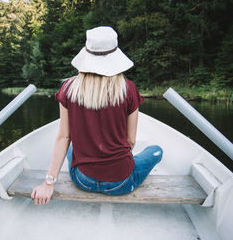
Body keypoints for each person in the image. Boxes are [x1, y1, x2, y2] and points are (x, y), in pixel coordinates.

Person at [31, 26, 163, 205]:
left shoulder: (68, 88)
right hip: (120, 182)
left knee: (71, 148)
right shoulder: (129, 89)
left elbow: (64, 137)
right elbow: (130, 141)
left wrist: (49, 183)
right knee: (156, 151)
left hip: (83, 180)